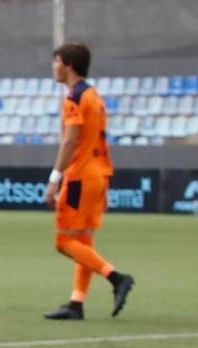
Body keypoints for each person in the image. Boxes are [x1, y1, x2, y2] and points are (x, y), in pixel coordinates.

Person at [41, 43, 135, 319]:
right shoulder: (94, 96)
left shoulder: (74, 98)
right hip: (99, 173)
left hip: (81, 176)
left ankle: (117, 278)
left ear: (68, 64)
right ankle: (76, 303)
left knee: (64, 242)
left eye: (56, 61)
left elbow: (71, 139)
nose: (54, 67)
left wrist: (55, 178)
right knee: (83, 242)